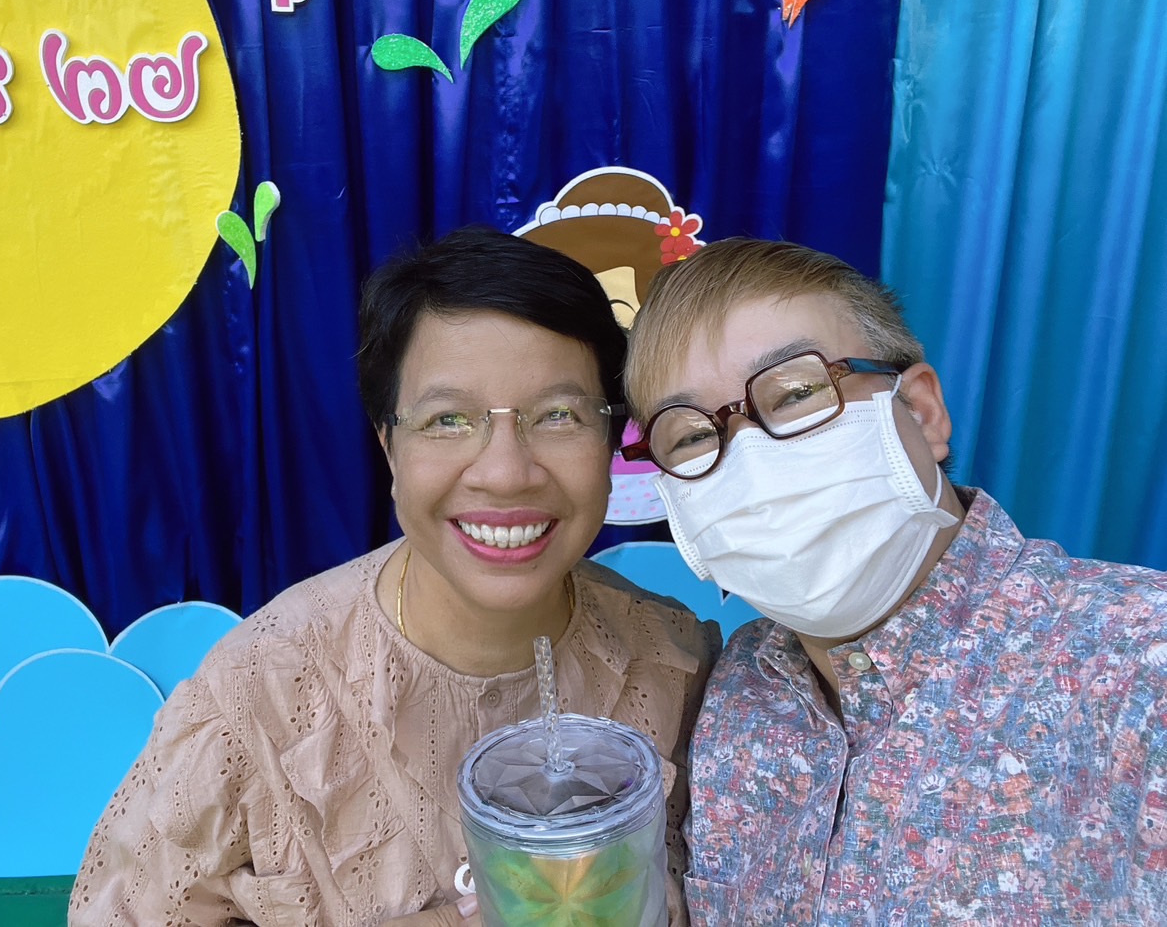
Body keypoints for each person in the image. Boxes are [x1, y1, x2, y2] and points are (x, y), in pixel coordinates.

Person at [70, 226, 720, 927]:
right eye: (449, 419)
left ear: (609, 441)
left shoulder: (674, 662)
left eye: (559, 415)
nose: (505, 472)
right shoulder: (259, 694)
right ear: (388, 445)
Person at [621, 237, 1167, 924]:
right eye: (692, 437)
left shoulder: (1139, 667)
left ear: (922, 410)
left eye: (797, 392)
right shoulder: (738, 689)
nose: (750, 461)